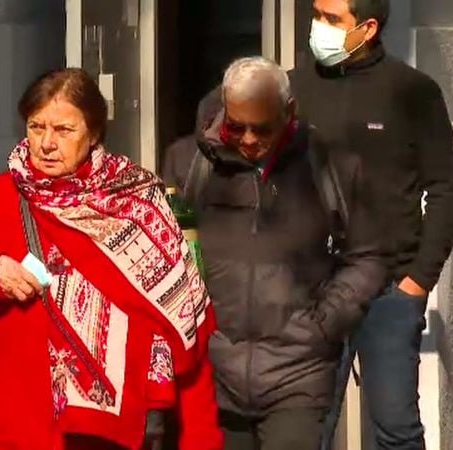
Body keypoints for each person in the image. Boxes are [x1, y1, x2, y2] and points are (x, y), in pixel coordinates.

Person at [0, 68, 223, 450]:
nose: (47, 143)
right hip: (22, 434)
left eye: (64, 130)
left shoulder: (139, 206)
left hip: (121, 439)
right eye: (36, 127)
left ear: (94, 133)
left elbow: (183, 330)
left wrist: (200, 441)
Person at [163, 56, 385, 450]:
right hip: (213, 372)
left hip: (299, 373)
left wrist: (326, 321)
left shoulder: (330, 164)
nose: (248, 139)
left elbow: (368, 255)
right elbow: (164, 252)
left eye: (262, 129)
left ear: (289, 112)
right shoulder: (187, 163)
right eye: (236, 127)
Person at [289, 1, 453, 448]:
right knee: (306, 432)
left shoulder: (412, 92)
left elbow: (445, 189)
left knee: (396, 431)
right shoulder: (292, 89)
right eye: (316, 14)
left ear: (368, 28)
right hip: (311, 293)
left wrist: (418, 281)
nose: (318, 26)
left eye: (331, 18)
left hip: (389, 293)